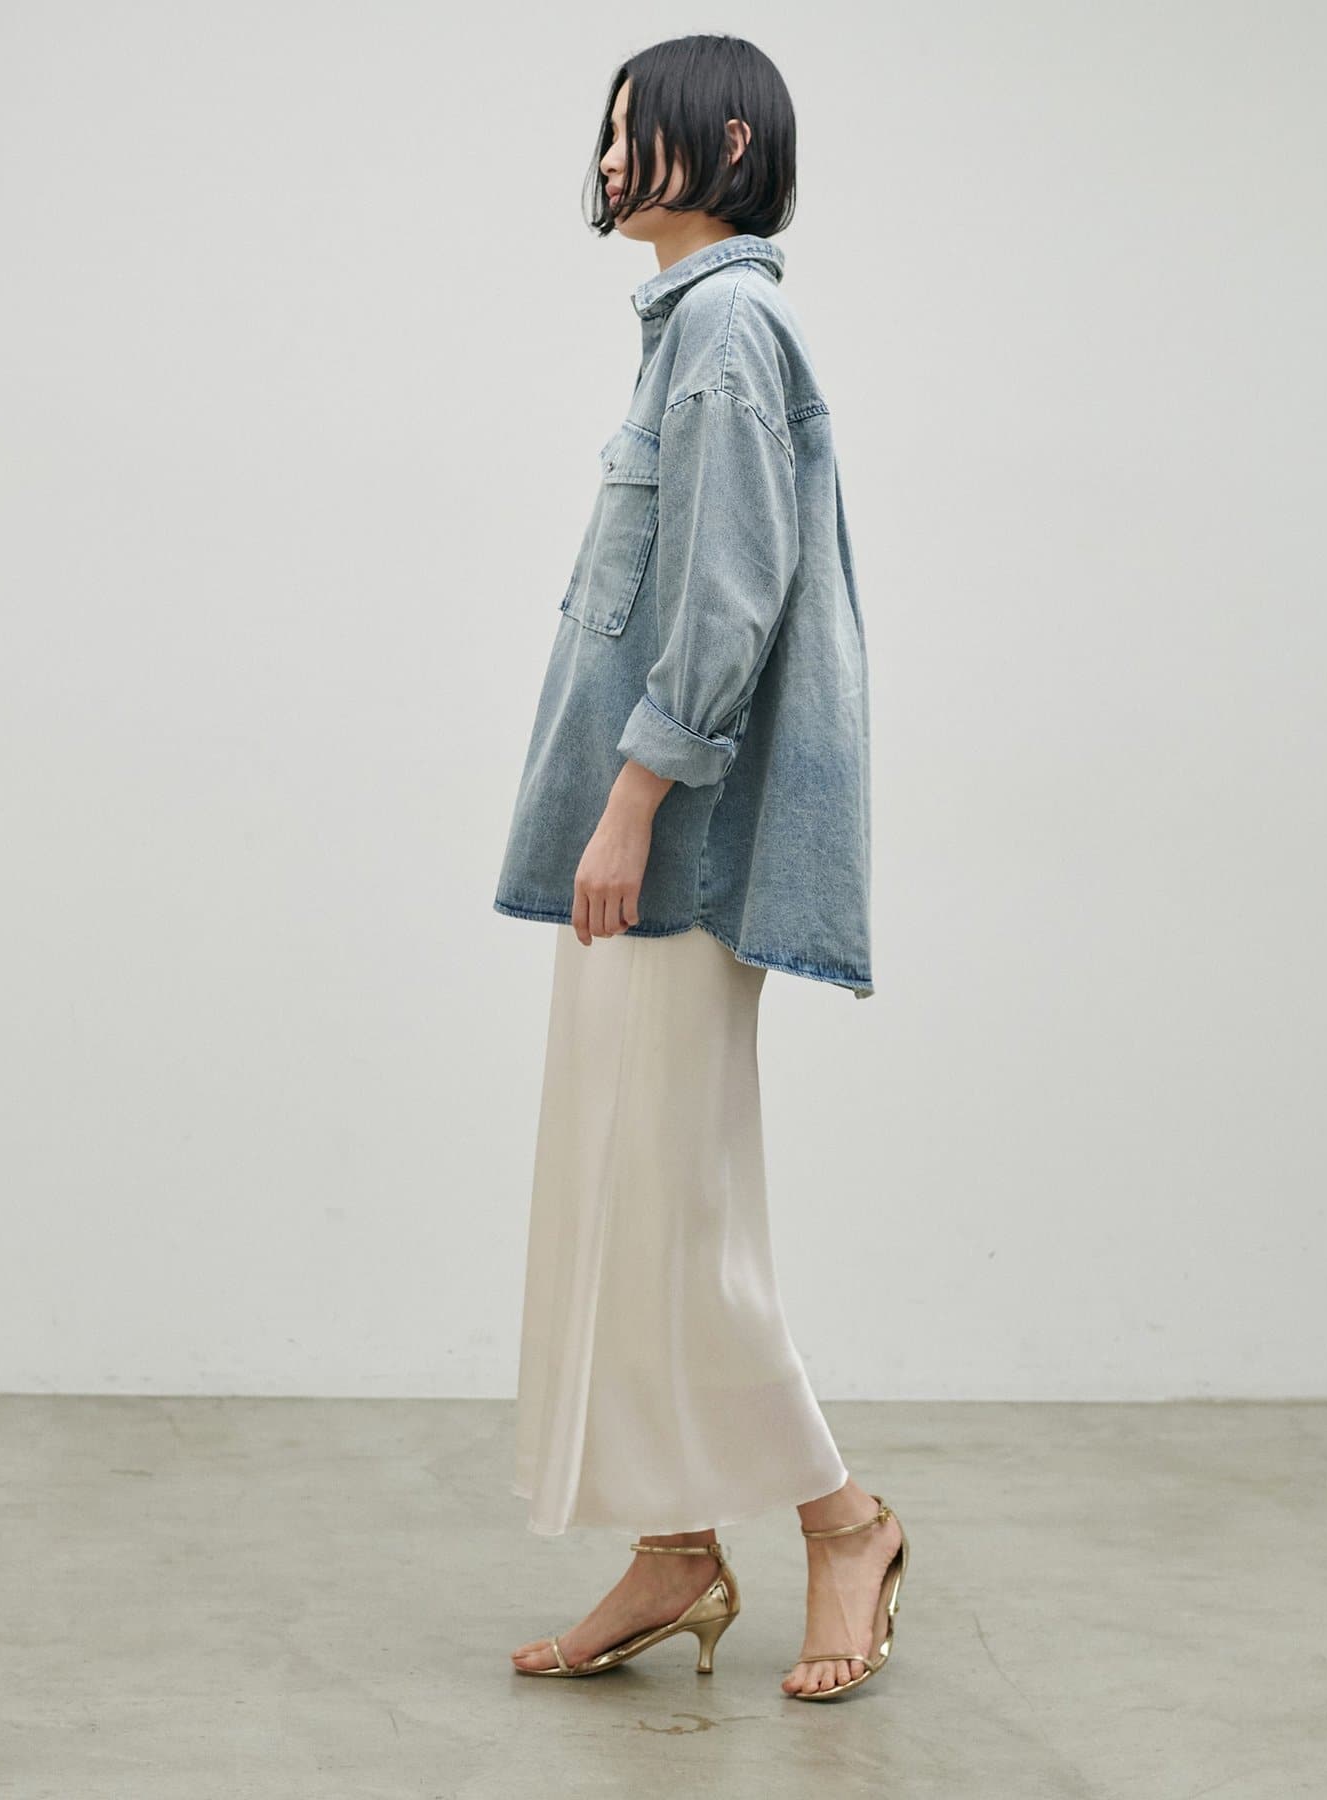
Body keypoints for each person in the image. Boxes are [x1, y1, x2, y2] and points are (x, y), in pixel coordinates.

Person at [492, 34, 906, 1701]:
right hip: (649, 843)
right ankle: (674, 1549)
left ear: (725, 139)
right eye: (598, 132)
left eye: (631, 129)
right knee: (628, 1201)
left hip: (673, 845)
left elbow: (729, 596)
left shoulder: (729, 327)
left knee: (683, 1211)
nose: (605, 158)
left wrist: (632, 804)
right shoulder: (693, 330)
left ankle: (846, 1523)